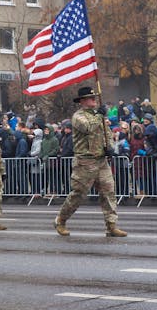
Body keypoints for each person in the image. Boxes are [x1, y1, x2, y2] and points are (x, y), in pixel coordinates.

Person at [54, 87, 127, 237]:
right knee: (78, 194)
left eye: (94, 97)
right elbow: (88, 128)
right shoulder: (78, 117)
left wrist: (110, 148)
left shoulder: (98, 116)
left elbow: (107, 133)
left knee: (108, 192)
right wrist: (99, 115)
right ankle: (60, 220)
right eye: (90, 97)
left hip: (101, 161)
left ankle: (111, 225)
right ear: (82, 101)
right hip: (85, 162)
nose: (94, 99)